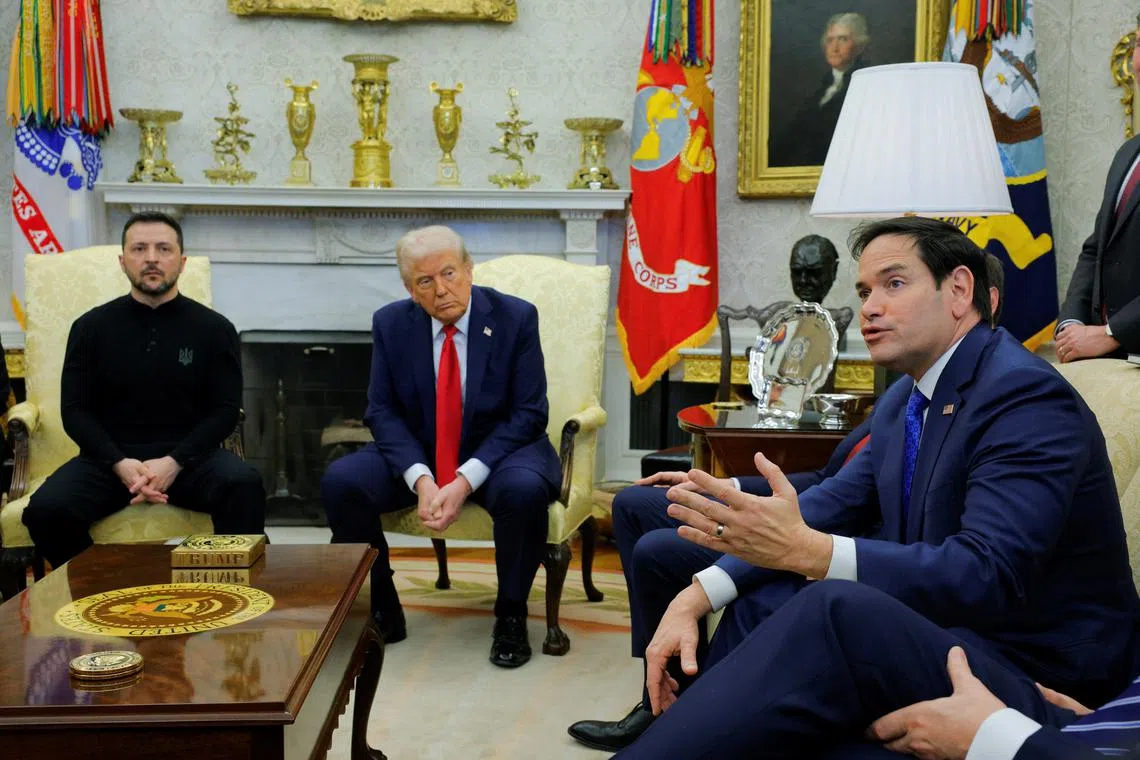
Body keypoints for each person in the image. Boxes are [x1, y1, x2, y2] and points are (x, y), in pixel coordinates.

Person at [585, 217, 1140, 755]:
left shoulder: (1021, 396)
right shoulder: (905, 398)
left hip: (1040, 662)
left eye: (894, 284)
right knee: (767, 599)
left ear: (960, 291)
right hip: (954, 628)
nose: (870, 307)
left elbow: (987, 573)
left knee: (832, 607)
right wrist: (702, 591)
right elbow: (833, 500)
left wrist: (812, 552)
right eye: (865, 290)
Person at [321, 225, 560, 668]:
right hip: (423, 449)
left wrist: (465, 480)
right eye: (425, 281)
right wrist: (422, 479)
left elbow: (529, 413)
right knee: (342, 482)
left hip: (502, 450)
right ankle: (382, 608)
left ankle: (510, 613)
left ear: (469, 270)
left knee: (524, 493)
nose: (441, 289)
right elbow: (381, 412)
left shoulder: (516, 317)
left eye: (449, 273)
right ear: (410, 289)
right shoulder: (390, 323)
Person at [21, 211, 266, 568]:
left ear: (181, 262)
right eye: (139, 249)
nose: (151, 258)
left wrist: (174, 462)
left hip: (191, 461)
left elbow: (224, 411)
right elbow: (75, 410)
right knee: (46, 510)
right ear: (123, 262)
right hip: (109, 461)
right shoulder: (90, 328)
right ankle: (99, 595)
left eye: (163, 249)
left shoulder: (214, 329)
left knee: (243, 484)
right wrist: (120, 464)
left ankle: (230, 604)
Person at [1056, 15, 1140, 363]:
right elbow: (1095, 251)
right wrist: (1072, 323)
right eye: (1138, 44)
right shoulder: (1128, 154)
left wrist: (1112, 332)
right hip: (1105, 364)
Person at [770, 13, 869, 168]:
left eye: (843, 39)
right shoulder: (818, 89)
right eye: (830, 40)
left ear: (860, 46)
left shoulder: (866, 85)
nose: (834, 48)